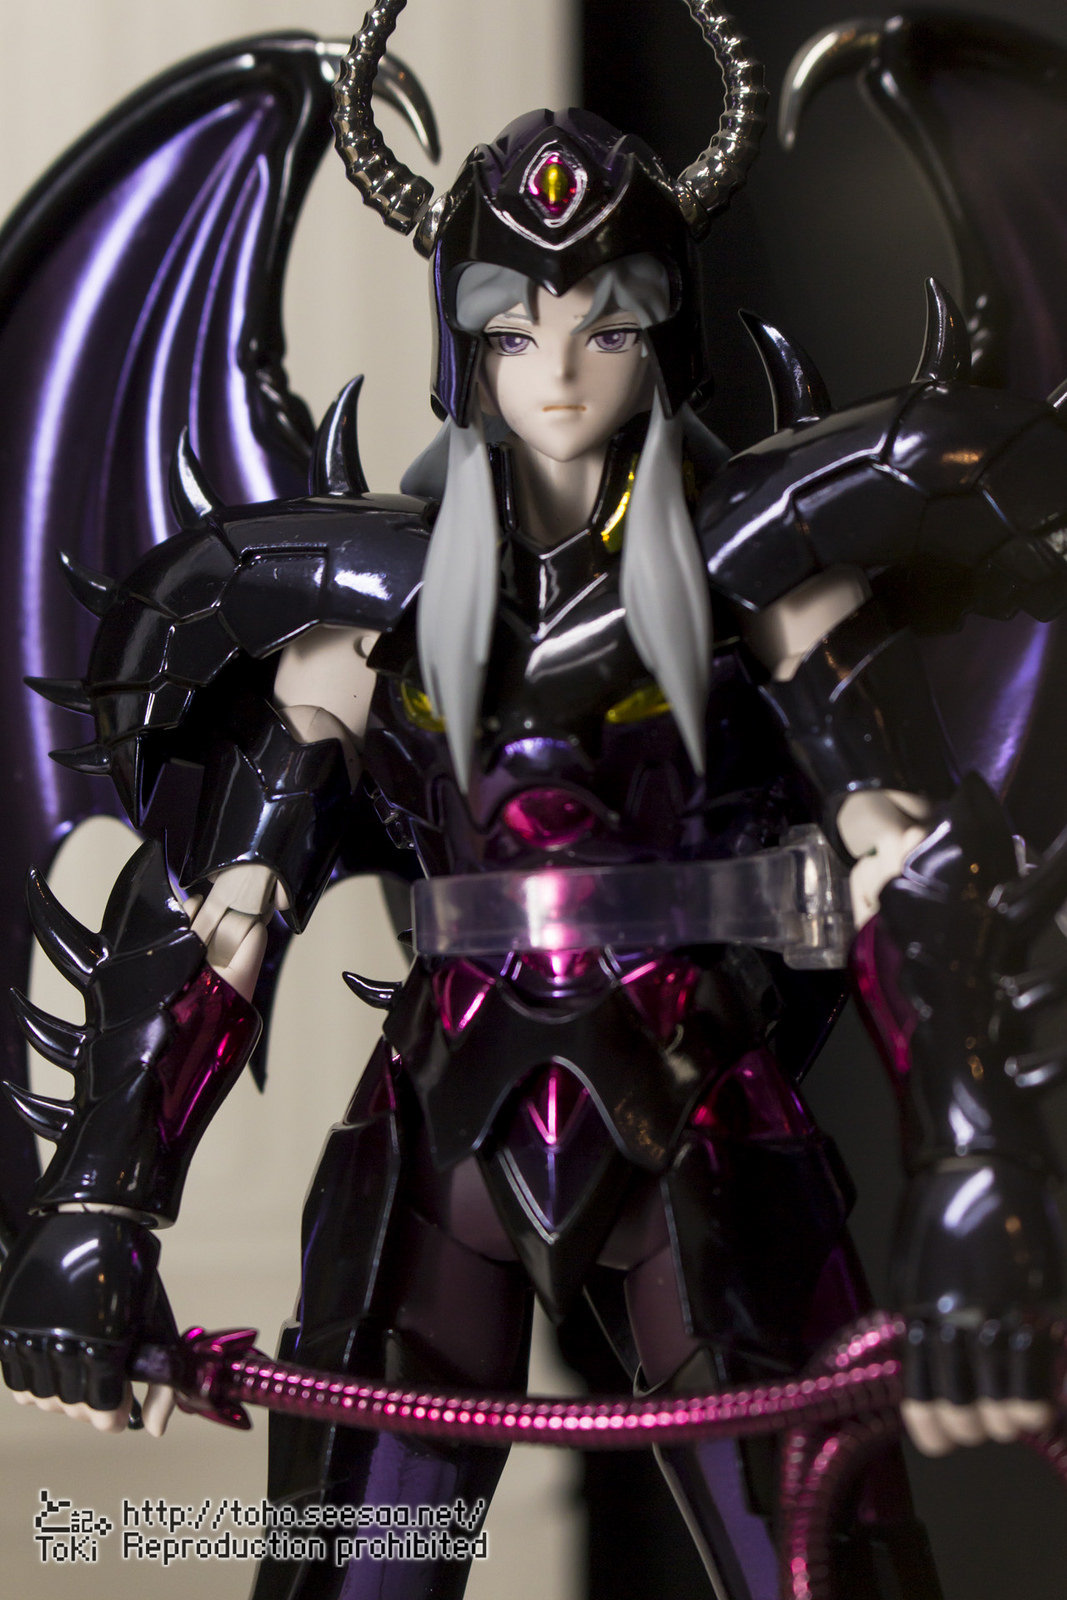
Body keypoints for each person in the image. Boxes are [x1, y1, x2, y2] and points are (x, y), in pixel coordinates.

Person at [2, 5, 1067, 1598]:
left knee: (824, 1565)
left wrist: (981, 1174)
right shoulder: (356, 605)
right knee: (352, 1566)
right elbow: (228, 917)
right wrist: (100, 1205)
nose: (557, 369)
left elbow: (903, 858)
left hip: (707, 1126)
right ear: (465, 346)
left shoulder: (771, 571)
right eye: (512, 330)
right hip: (433, 1145)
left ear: (664, 332)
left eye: (603, 326)